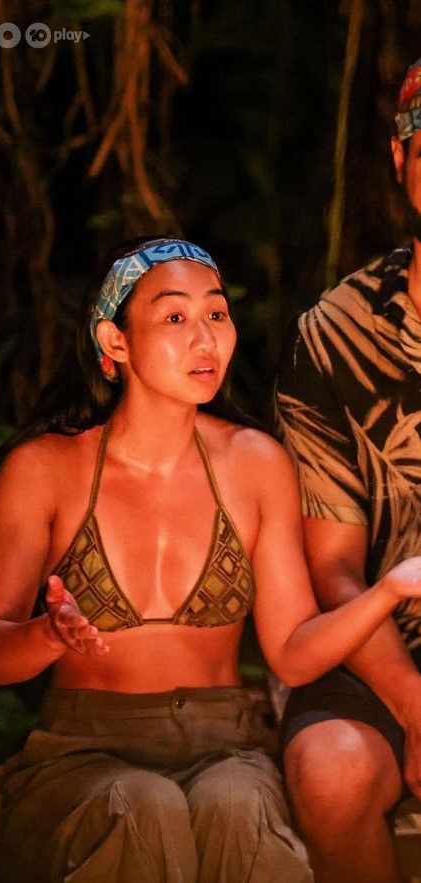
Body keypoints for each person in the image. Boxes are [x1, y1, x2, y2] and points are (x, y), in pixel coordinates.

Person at [0, 236, 421, 883]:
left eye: (216, 313)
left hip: (226, 745)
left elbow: (292, 652)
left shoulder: (256, 463)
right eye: (176, 317)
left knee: (237, 809)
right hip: (81, 748)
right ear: (115, 340)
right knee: (142, 807)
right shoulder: (43, 469)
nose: (205, 339)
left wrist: (388, 590)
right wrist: (47, 634)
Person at [275, 59, 421, 883]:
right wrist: (412, 702)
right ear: (400, 161)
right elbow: (331, 563)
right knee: (329, 771)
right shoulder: (333, 335)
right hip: (378, 648)